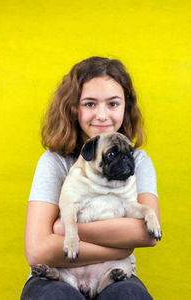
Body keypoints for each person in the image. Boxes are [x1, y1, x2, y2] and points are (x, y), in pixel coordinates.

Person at [21, 56, 160, 300]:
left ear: (126, 106)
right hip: (60, 272)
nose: (102, 115)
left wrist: (65, 229)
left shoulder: (139, 160)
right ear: (73, 107)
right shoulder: (54, 161)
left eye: (113, 104)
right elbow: (37, 250)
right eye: (90, 104)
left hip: (109, 273)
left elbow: (145, 234)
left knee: (129, 296)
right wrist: (120, 244)